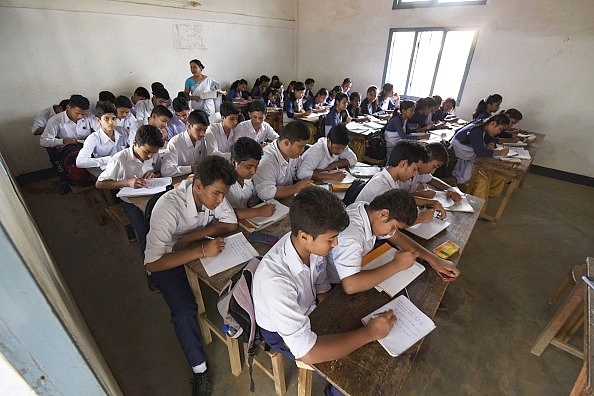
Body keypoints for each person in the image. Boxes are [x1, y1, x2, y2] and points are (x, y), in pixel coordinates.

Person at [253, 187, 396, 385]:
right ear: (304, 236)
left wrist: (336, 315)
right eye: (331, 239)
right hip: (279, 333)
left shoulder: (309, 247)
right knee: (351, 365)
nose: (336, 244)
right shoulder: (277, 283)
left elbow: (321, 287)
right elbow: (308, 352)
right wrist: (369, 333)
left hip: (309, 309)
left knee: (356, 330)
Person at [144, 155, 238, 396]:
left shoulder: (213, 194)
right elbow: (153, 262)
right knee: (185, 310)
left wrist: (192, 239)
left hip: (194, 247)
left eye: (223, 195)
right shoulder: (168, 207)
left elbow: (230, 223)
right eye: (216, 194)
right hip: (166, 257)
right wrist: (201, 250)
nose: (220, 200)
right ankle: (200, 370)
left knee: (238, 276)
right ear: (198, 186)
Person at [327, 189, 460, 295]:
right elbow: (350, 286)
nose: (391, 232)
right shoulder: (351, 237)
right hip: (334, 285)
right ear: (383, 214)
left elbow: (396, 236)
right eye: (394, 227)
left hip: (355, 268)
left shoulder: (367, 210)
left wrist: (434, 259)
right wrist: (397, 265)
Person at [95, 124, 165, 263]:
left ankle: (167, 257)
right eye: (147, 152)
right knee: (144, 232)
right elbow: (100, 184)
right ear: (135, 143)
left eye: (154, 152)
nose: (150, 156)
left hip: (152, 196)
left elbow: (158, 170)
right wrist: (127, 183)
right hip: (131, 203)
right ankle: (150, 265)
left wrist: (154, 174)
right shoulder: (119, 160)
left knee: (166, 224)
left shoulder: (152, 153)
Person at [356, 141, 446, 224]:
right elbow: (389, 224)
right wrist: (420, 218)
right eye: (415, 169)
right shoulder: (381, 185)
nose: (415, 174)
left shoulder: (392, 181)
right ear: (404, 164)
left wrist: (432, 202)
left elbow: (403, 200)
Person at [40, 94, 96, 195]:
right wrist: (62, 141)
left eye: (83, 114)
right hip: (70, 152)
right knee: (56, 155)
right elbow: (43, 141)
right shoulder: (55, 120)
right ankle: (67, 180)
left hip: (87, 147)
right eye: (77, 113)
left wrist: (80, 141)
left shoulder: (89, 117)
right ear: (68, 108)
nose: (80, 117)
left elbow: (100, 134)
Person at [451, 114, 510, 201]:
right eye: (500, 129)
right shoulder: (476, 130)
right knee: (483, 180)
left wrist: (491, 143)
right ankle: (476, 206)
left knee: (494, 174)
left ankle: (487, 195)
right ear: (493, 123)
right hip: (458, 162)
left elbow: (490, 138)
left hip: (468, 159)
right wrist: (499, 152)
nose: (499, 132)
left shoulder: (483, 126)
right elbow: (480, 152)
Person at [252, 120, 312, 200]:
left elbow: (300, 169)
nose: (303, 150)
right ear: (286, 143)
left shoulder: (292, 154)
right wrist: (296, 187)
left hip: (287, 196)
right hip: (267, 203)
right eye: (300, 146)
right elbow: (265, 193)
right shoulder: (266, 160)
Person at [226, 137, 276, 220]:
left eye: (256, 166)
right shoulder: (223, 181)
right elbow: (224, 213)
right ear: (234, 162)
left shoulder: (248, 178)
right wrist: (259, 211)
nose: (253, 171)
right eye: (249, 167)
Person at [76, 102, 128, 177]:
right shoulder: (93, 138)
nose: (111, 122)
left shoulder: (123, 132)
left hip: (125, 167)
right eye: (106, 119)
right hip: (107, 171)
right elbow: (80, 162)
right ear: (98, 120)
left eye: (113, 119)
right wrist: (110, 159)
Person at [161, 110, 209, 177]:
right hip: (181, 180)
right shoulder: (175, 143)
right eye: (198, 129)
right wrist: (192, 168)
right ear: (189, 126)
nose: (202, 133)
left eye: (205, 130)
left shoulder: (203, 139)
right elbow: (166, 170)